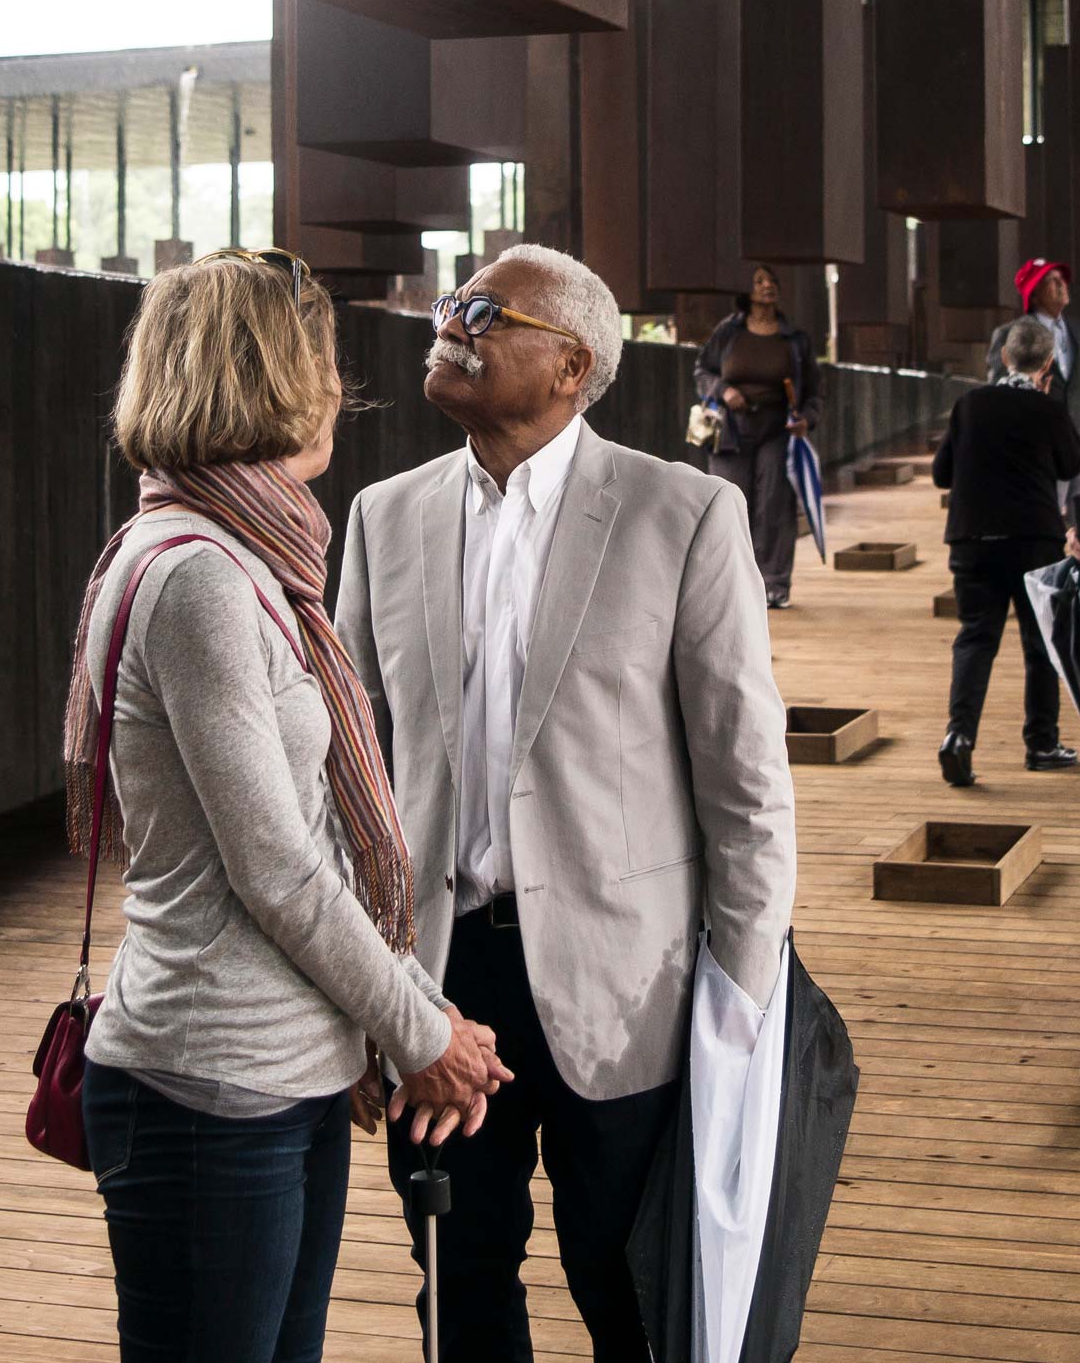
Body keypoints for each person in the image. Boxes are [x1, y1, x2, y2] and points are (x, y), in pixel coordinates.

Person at [338, 244, 798, 1361]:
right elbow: (344, 780)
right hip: (438, 984)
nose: (450, 320)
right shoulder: (381, 516)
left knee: (628, 1289)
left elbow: (746, 785)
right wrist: (364, 998)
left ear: (568, 363)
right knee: (457, 1286)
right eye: (451, 300)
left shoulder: (681, 514)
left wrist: (738, 1007)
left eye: (486, 311)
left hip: (630, 984)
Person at [68, 248, 511, 1363]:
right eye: (317, 359)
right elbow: (277, 867)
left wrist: (417, 1007)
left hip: (285, 1072)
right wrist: (423, 1033)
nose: (336, 388)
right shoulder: (200, 579)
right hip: (212, 1087)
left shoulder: (249, 561)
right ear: (261, 377)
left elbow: (314, 835)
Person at [933, 314, 1080, 787]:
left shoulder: (970, 404)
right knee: (1040, 642)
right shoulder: (1049, 409)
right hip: (1033, 540)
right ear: (1048, 364)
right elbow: (1072, 463)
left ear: (1004, 357)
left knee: (976, 638)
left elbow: (943, 474)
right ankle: (1041, 743)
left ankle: (959, 737)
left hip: (972, 539)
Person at [693, 263, 821, 607]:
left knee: (775, 507)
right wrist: (722, 390)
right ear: (745, 291)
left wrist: (807, 418)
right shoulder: (728, 332)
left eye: (772, 281)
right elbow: (702, 370)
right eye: (759, 281)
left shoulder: (794, 339)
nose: (768, 286)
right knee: (728, 504)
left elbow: (814, 391)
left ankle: (774, 586)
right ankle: (730, 585)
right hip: (731, 430)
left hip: (777, 429)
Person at [984, 257, 1080, 525]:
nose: (1061, 284)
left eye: (1062, 279)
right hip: (1039, 452)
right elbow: (998, 395)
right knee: (1043, 525)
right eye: (1051, 281)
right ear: (1034, 292)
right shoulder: (1010, 334)